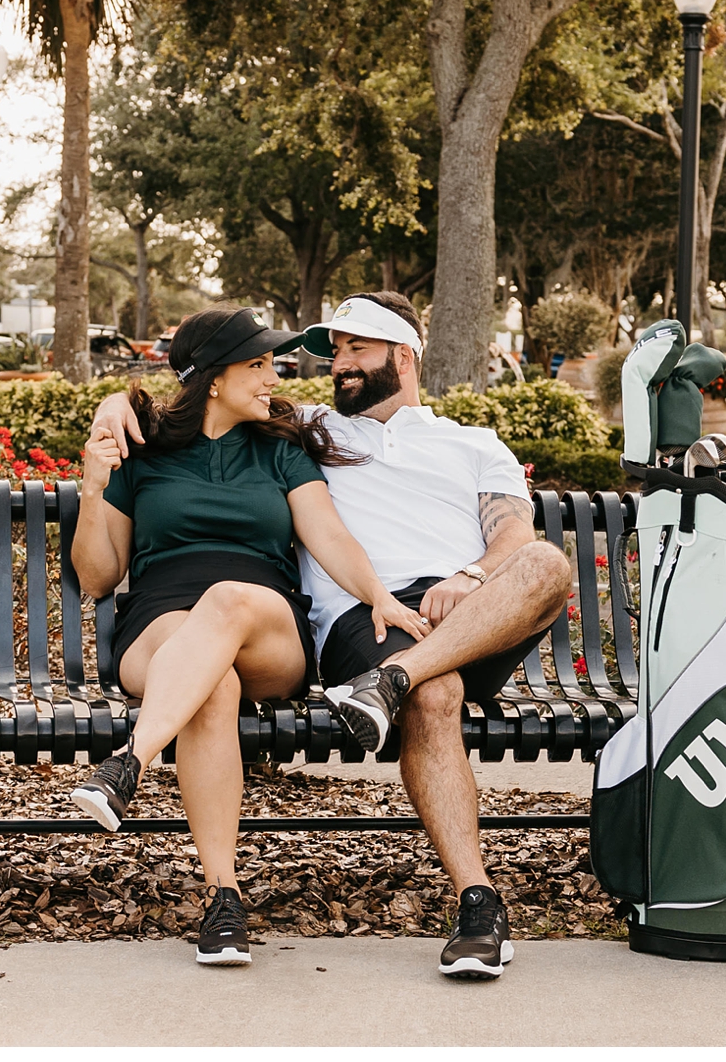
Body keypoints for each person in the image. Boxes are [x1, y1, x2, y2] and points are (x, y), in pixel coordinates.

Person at [92, 292, 571, 979]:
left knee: (547, 563)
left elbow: (514, 537)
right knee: (434, 701)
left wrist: (471, 575)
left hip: (468, 609)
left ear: (402, 356)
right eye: (335, 350)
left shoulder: (474, 444)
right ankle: (478, 901)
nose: (337, 364)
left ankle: (395, 680)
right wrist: (113, 407)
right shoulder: (309, 427)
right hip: (369, 620)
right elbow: (190, 396)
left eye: (357, 350)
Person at [70, 303, 426, 968]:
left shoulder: (281, 449)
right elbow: (97, 577)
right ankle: (223, 898)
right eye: (257, 364)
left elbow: (329, 537)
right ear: (212, 378)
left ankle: (129, 763)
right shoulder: (143, 451)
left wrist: (378, 596)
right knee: (211, 685)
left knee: (227, 603)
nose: (274, 376)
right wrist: (94, 488)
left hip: (264, 622)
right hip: (161, 621)